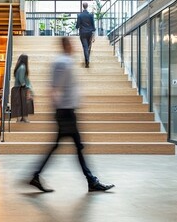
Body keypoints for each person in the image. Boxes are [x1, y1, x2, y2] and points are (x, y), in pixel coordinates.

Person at [28, 37, 114, 193]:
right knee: (77, 147)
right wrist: (59, 111)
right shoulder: (62, 63)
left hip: (66, 110)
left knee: (68, 147)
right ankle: (91, 181)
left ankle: (36, 175)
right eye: (72, 44)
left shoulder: (65, 62)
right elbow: (53, 88)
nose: (74, 47)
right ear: (66, 46)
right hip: (65, 112)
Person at [13, 54, 33, 122]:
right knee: (25, 103)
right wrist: (24, 86)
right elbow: (21, 79)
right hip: (22, 88)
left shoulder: (19, 67)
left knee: (20, 103)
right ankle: (24, 117)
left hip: (18, 88)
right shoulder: (23, 67)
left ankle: (20, 118)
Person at [76, 2, 96, 68]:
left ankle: (87, 61)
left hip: (83, 33)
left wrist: (79, 26)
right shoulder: (90, 15)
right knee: (89, 47)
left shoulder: (80, 16)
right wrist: (93, 33)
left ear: (83, 6)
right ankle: (87, 59)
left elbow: (77, 26)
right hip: (90, 33)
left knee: (85, 47)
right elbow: (93, 26)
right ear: (87, 6)